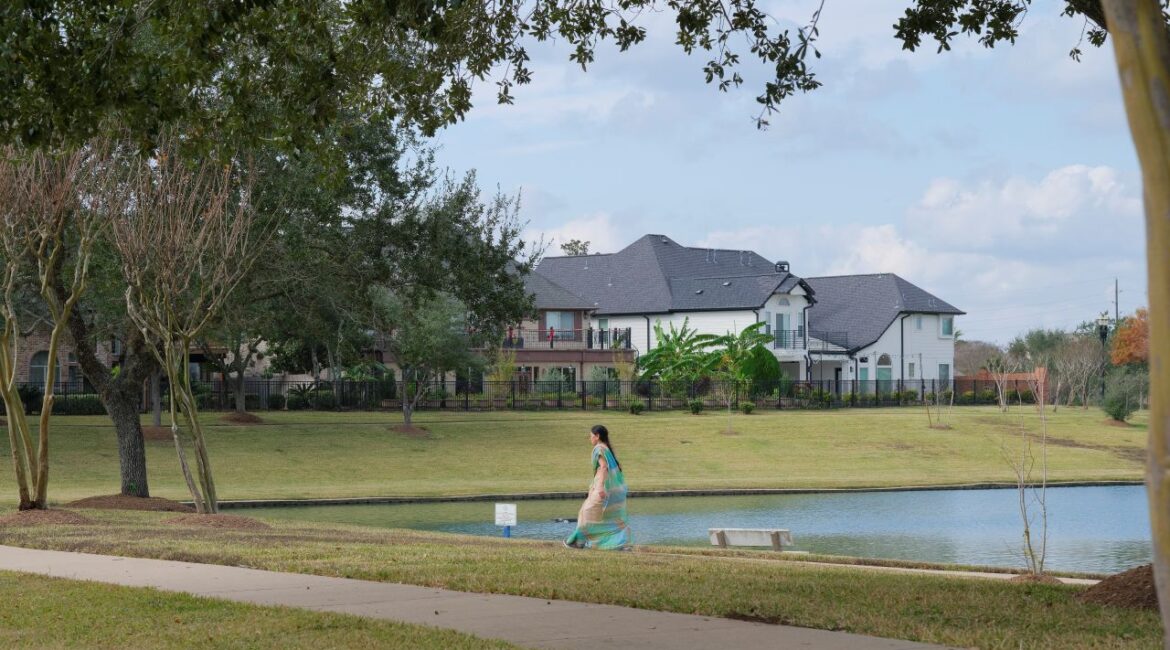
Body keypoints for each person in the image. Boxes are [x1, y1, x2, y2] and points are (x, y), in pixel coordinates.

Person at [564, 424, 631, 550]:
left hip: (605, 488)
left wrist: (599, 487)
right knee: (610, 518)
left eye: (591, 436)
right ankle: (621, 544)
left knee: (586, 513)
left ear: (597, 436)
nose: (590, 439)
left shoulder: (599, 448)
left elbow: (603, 467)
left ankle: (578, 542)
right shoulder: (607, 449)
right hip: (617, 490)